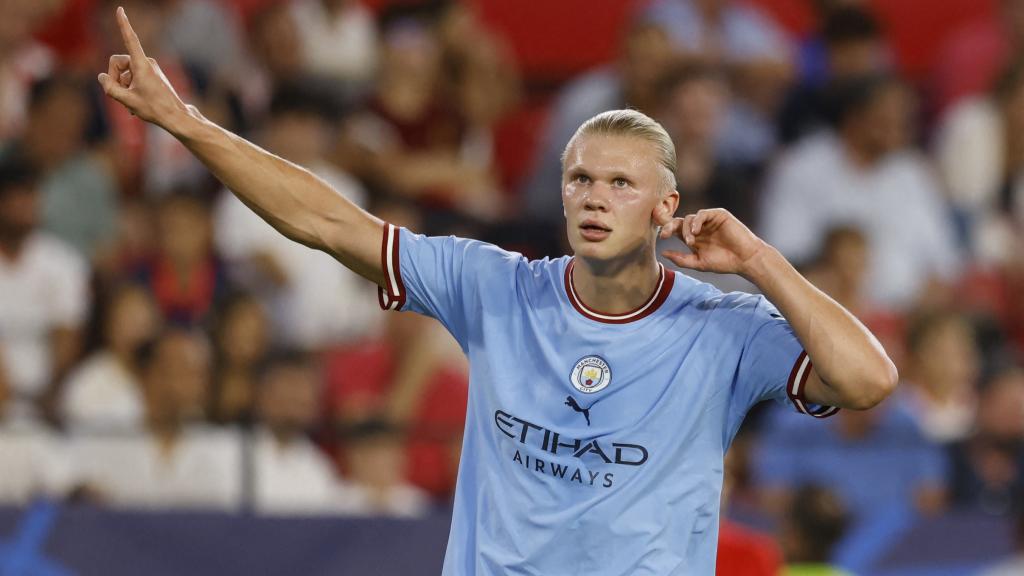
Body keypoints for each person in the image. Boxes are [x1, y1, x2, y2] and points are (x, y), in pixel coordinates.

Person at [97, 7, 897, 572]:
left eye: (621, 184)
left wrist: (760, 261)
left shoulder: (724, 327)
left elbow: (868, 380)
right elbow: (328, 223)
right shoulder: (494, 286)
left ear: (666, 208)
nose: (594, 197)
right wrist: (188, 123)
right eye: (580, 179)